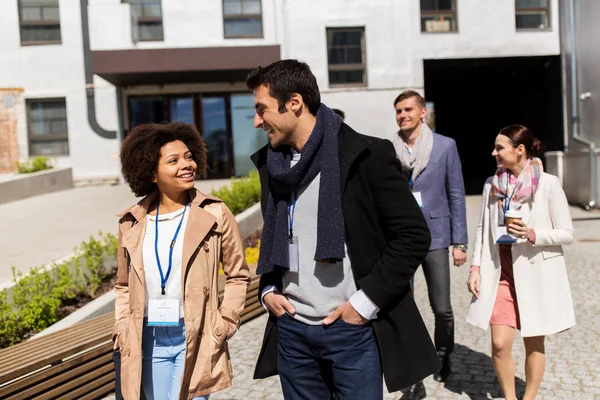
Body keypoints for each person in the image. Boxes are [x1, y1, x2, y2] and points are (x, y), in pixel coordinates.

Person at [247, 59, 440, 400]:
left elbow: (413, 236)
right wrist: (268, 290)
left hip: (349, 330)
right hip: (292, 331)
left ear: (294, 103)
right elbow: (279, 236)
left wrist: (364, 305)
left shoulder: (367, 156)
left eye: (262, 109)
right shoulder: (272, 164)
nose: (257, 121)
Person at [113, 122, 251, 400]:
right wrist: (121, 326)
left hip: (197, 334)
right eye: (173, 160)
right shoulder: (132, 221)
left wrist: (226, 321)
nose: (186, 165)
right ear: (152, 172)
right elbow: (123, 285)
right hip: (147, 338)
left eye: (189, 156)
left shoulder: (215, 213)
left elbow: (238, 274)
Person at [466, 125, 576, 400]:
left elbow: (568, 233)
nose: (494, 153)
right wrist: (476, 267)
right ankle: (509, 397)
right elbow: (482, 229)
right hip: (500, 274)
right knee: (500, 344)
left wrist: (532, 233)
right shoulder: (492, 185)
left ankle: (528, 397)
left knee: (534, 342)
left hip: (534, 273)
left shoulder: (548, 184)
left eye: (499, 147)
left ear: (520, 150)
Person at [392, 90, 468, 400]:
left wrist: (459, 241)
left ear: (423, 113)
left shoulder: (445, 146)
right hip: (400, 238)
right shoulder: (389, 148)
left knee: (442, 307)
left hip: (437, 236)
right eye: (398, 111)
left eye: (408, 109)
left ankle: (443, 352)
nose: (402, 115)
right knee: (402, 307)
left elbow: (456, 194)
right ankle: (412, 367)